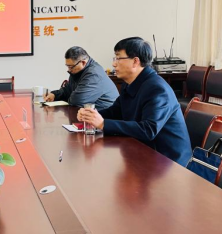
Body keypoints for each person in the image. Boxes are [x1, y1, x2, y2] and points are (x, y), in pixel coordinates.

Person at [78, 37, 191, 166]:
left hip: (169, 162)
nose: (114, 64)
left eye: (118, 58)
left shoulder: (157, 89)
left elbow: (148, 130)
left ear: (135, 61)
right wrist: (90, 115)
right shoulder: (129, 84)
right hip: (144, 152)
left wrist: (103, 124)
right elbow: (115, 112)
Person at [44, 46, 118, 109]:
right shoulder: (77, 71)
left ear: (83, 62)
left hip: (105, 116)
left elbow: (77, 101)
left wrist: (71, 96)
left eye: (71, 67)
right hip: (89, 114)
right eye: (67, 66)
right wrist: (54, 95)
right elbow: (68, 89)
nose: (69, 70)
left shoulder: (94, 74)